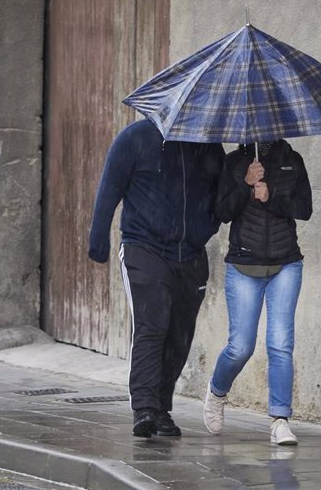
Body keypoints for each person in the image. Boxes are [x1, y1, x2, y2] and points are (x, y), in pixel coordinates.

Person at [89, 118, 225, 438]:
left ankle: (162, 407)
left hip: (191, 254)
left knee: (179, 333)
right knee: (152, 324)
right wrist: (98, 243)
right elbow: (109, 189)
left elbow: (221, 199)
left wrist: (205, 228)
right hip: (143, 247)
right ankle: (145, 408)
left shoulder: (208, 146)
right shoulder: (135, 139)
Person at [203, 139, 312, 445]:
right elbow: (222, 211)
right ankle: (216, 392)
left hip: (286, 264)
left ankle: (279, 420)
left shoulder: (293, 160)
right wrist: (245, 182)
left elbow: (305, 209)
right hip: (243, 264)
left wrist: (271, 194)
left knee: (280, 344)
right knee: (241, 347)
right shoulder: (235, 162)